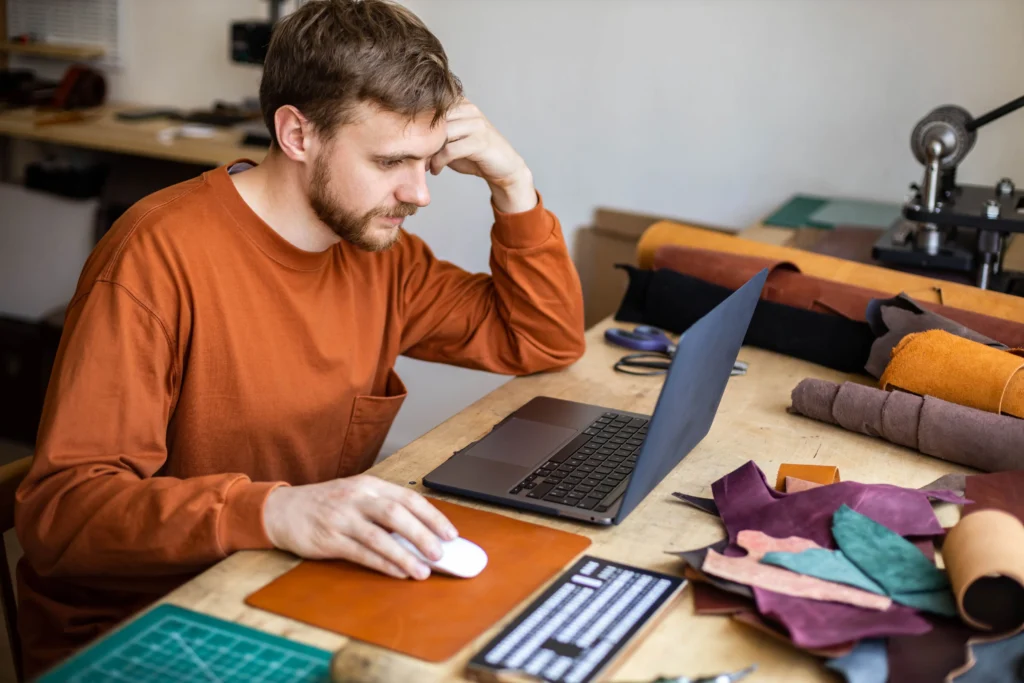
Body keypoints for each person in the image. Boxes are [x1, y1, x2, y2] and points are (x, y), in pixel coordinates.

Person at [14, 0, 585, 676]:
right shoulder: (155, 257)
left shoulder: (381, 254)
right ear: (296, 134)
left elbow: (542, 340)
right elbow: (60, 516)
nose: (419, 192)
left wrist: (511, 182)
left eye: (428, 162)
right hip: (150, 623)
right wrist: (276, 511)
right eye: (390, 161)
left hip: (294, 581)